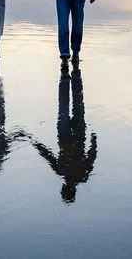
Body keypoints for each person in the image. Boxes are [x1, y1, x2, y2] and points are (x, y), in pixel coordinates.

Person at [31, 64, 97, 203]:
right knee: (66, 107)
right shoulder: (71, 173)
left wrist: (93, 142)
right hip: (68, 136)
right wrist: (93, 142)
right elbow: (48, 155)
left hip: (74, 136)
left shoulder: (77, 175)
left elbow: (48, 155)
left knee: (76, 106)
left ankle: (69, 80)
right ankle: (68, 80)